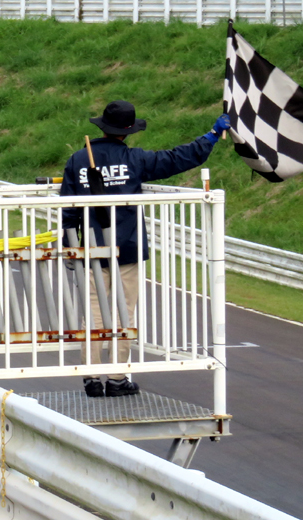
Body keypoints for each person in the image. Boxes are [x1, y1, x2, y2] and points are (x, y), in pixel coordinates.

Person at [59, 100, 230, 398]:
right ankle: (116, 379)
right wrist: (212, 135)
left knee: (93, 313)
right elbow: (177, 159)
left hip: (90, 248)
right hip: (127, 247)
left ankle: (90, 377)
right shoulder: (134, 159)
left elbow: (69, 209)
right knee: (124, 312)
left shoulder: (78, 159)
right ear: (128, 132)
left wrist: (69, 245)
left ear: (102, 127)